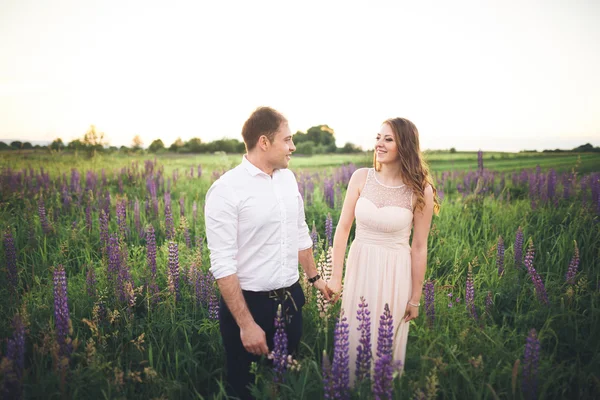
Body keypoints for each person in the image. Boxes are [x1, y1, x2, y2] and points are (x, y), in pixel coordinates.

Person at [205, 106, 331, 399]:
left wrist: (315, 279)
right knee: (244, 387)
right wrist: (247, 325)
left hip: (291, 298)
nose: (293, 147)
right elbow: (222, 265)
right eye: (287, 140)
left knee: (283, 384)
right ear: (264, 142)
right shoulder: (226, 189)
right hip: (250, 305)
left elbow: (299, 232)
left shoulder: (287, 179)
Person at [326, 117, 439, 384]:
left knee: (385, 342)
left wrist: (415, 297)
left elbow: (419, 247)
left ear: (405, 146)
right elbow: (342, 229)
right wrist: (335, 276)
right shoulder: (360, 178)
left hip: (394, 272)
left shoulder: (420, 190)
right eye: (378, 137)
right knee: (353, 335)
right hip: (360, 266)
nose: (379, 144)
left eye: (388, 139)